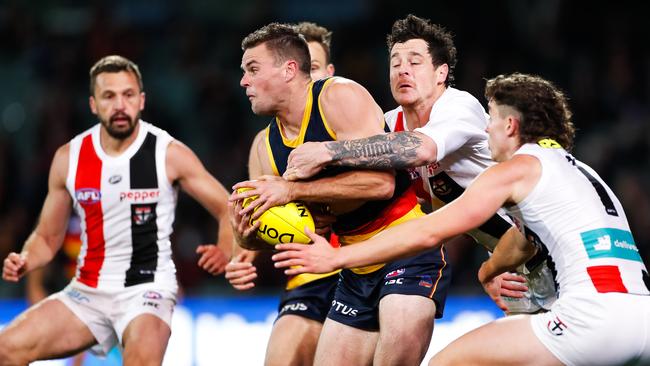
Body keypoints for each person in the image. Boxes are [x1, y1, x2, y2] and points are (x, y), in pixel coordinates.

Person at [273, 73, 650, 365]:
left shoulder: (516, 169)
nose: (485, 129)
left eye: (492, 118)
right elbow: (523, 240)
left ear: (511, 126)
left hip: (591, 319)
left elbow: (428, 231)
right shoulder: (582, 171)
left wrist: (337, 258)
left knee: (446, 362)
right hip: (641, 319)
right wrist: (488, 272)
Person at [282, 14, 557, 314]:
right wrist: (324, 214)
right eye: (395, 62)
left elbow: (422, 150)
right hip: (511, 260)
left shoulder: (457, 107)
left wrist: (328, 151)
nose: (403, 70)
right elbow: (401, 203)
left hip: (547, 247)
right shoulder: (387, 127)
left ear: (441, 73)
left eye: (414, 62)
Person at [232, 22, 450, 366]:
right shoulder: (266, 145)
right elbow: (299, 227)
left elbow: (381, 185)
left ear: (289, 70)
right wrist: (248, 236)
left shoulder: (338, 96)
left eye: (252, 69)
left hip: (406, 248)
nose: (243, 81)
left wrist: (291, 189)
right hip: (353, 265)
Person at [0, 55, 234, 365]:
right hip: (87, 293)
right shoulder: (69, 158)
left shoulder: (168, 153)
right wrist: (26, 258)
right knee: (5, 349)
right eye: (109, 96)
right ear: (93, 105)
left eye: (128, 95)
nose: (120, 105)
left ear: (142, 101)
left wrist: (226, 248)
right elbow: (46, 238)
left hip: (147, 291)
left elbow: (227, 208)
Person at [224, 21, 340, 366]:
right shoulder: (265, 142)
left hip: (365, 266)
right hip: (308, 277)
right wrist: (240, 252)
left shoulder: (354, 118)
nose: (308, 77)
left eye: (315, 68)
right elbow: (257, 218)